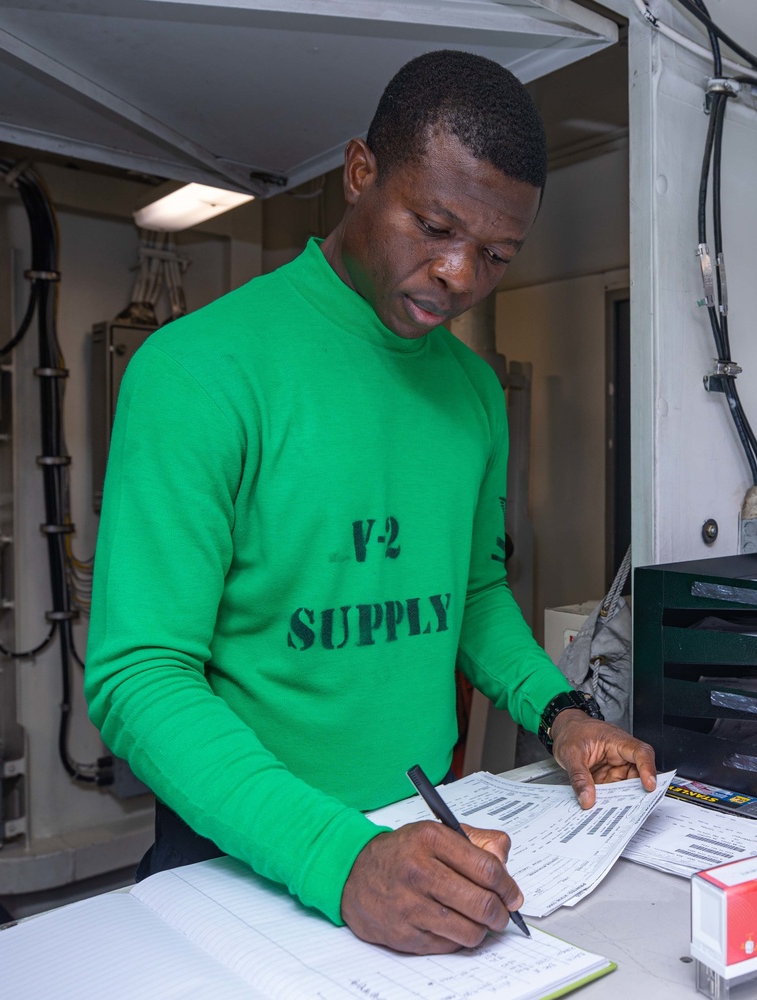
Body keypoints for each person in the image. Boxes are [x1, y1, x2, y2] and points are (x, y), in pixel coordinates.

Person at [85, 48, 657, 957]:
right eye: (434, 226)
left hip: (429, 832)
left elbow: (469, 594)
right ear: (360, 174)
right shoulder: (199, 372)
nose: (460, 275)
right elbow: (138, 677)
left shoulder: (473, 394)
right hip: (249, 844)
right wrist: (341, 858)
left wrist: (564, 714)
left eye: (496, 254)